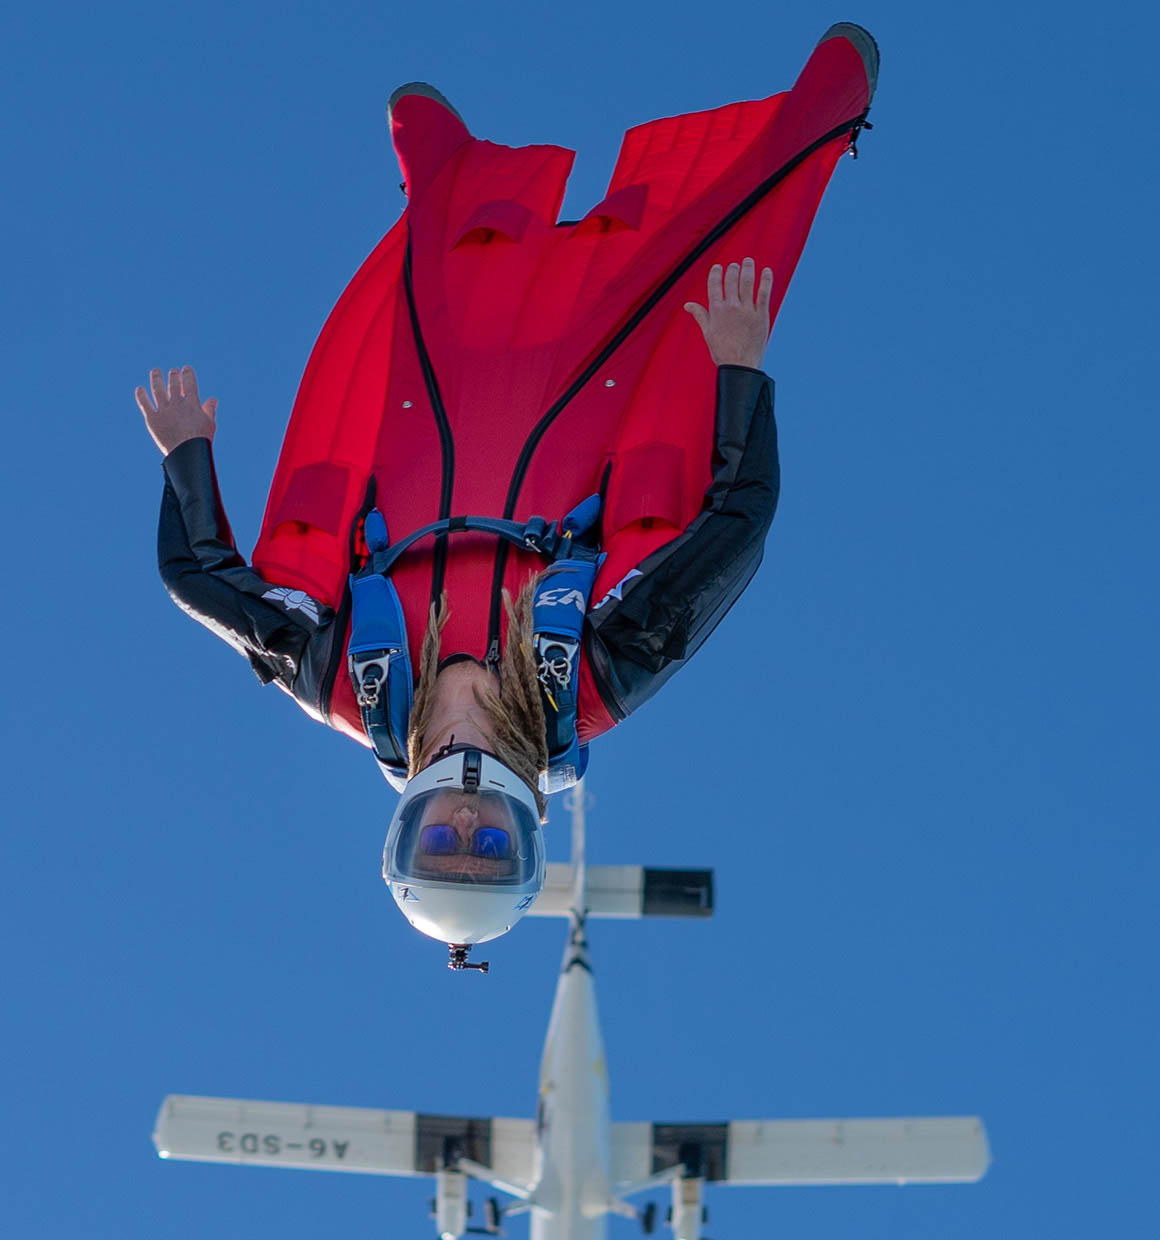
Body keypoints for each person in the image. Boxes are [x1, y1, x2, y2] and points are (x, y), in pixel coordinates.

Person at [138, 24, 877, 968]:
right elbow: (734, 527)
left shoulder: (343, 682)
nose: (465, 824)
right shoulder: (599, 677)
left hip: (435, 422)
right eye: (489, 850)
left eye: (441, 847)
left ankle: (442, 183)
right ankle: (816, 124)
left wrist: (187, 459)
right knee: (700, 252)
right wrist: (737, 374)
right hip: (585, 416)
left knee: (439, 290)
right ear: (524, 838)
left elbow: (201, 580)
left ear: (405, 834)